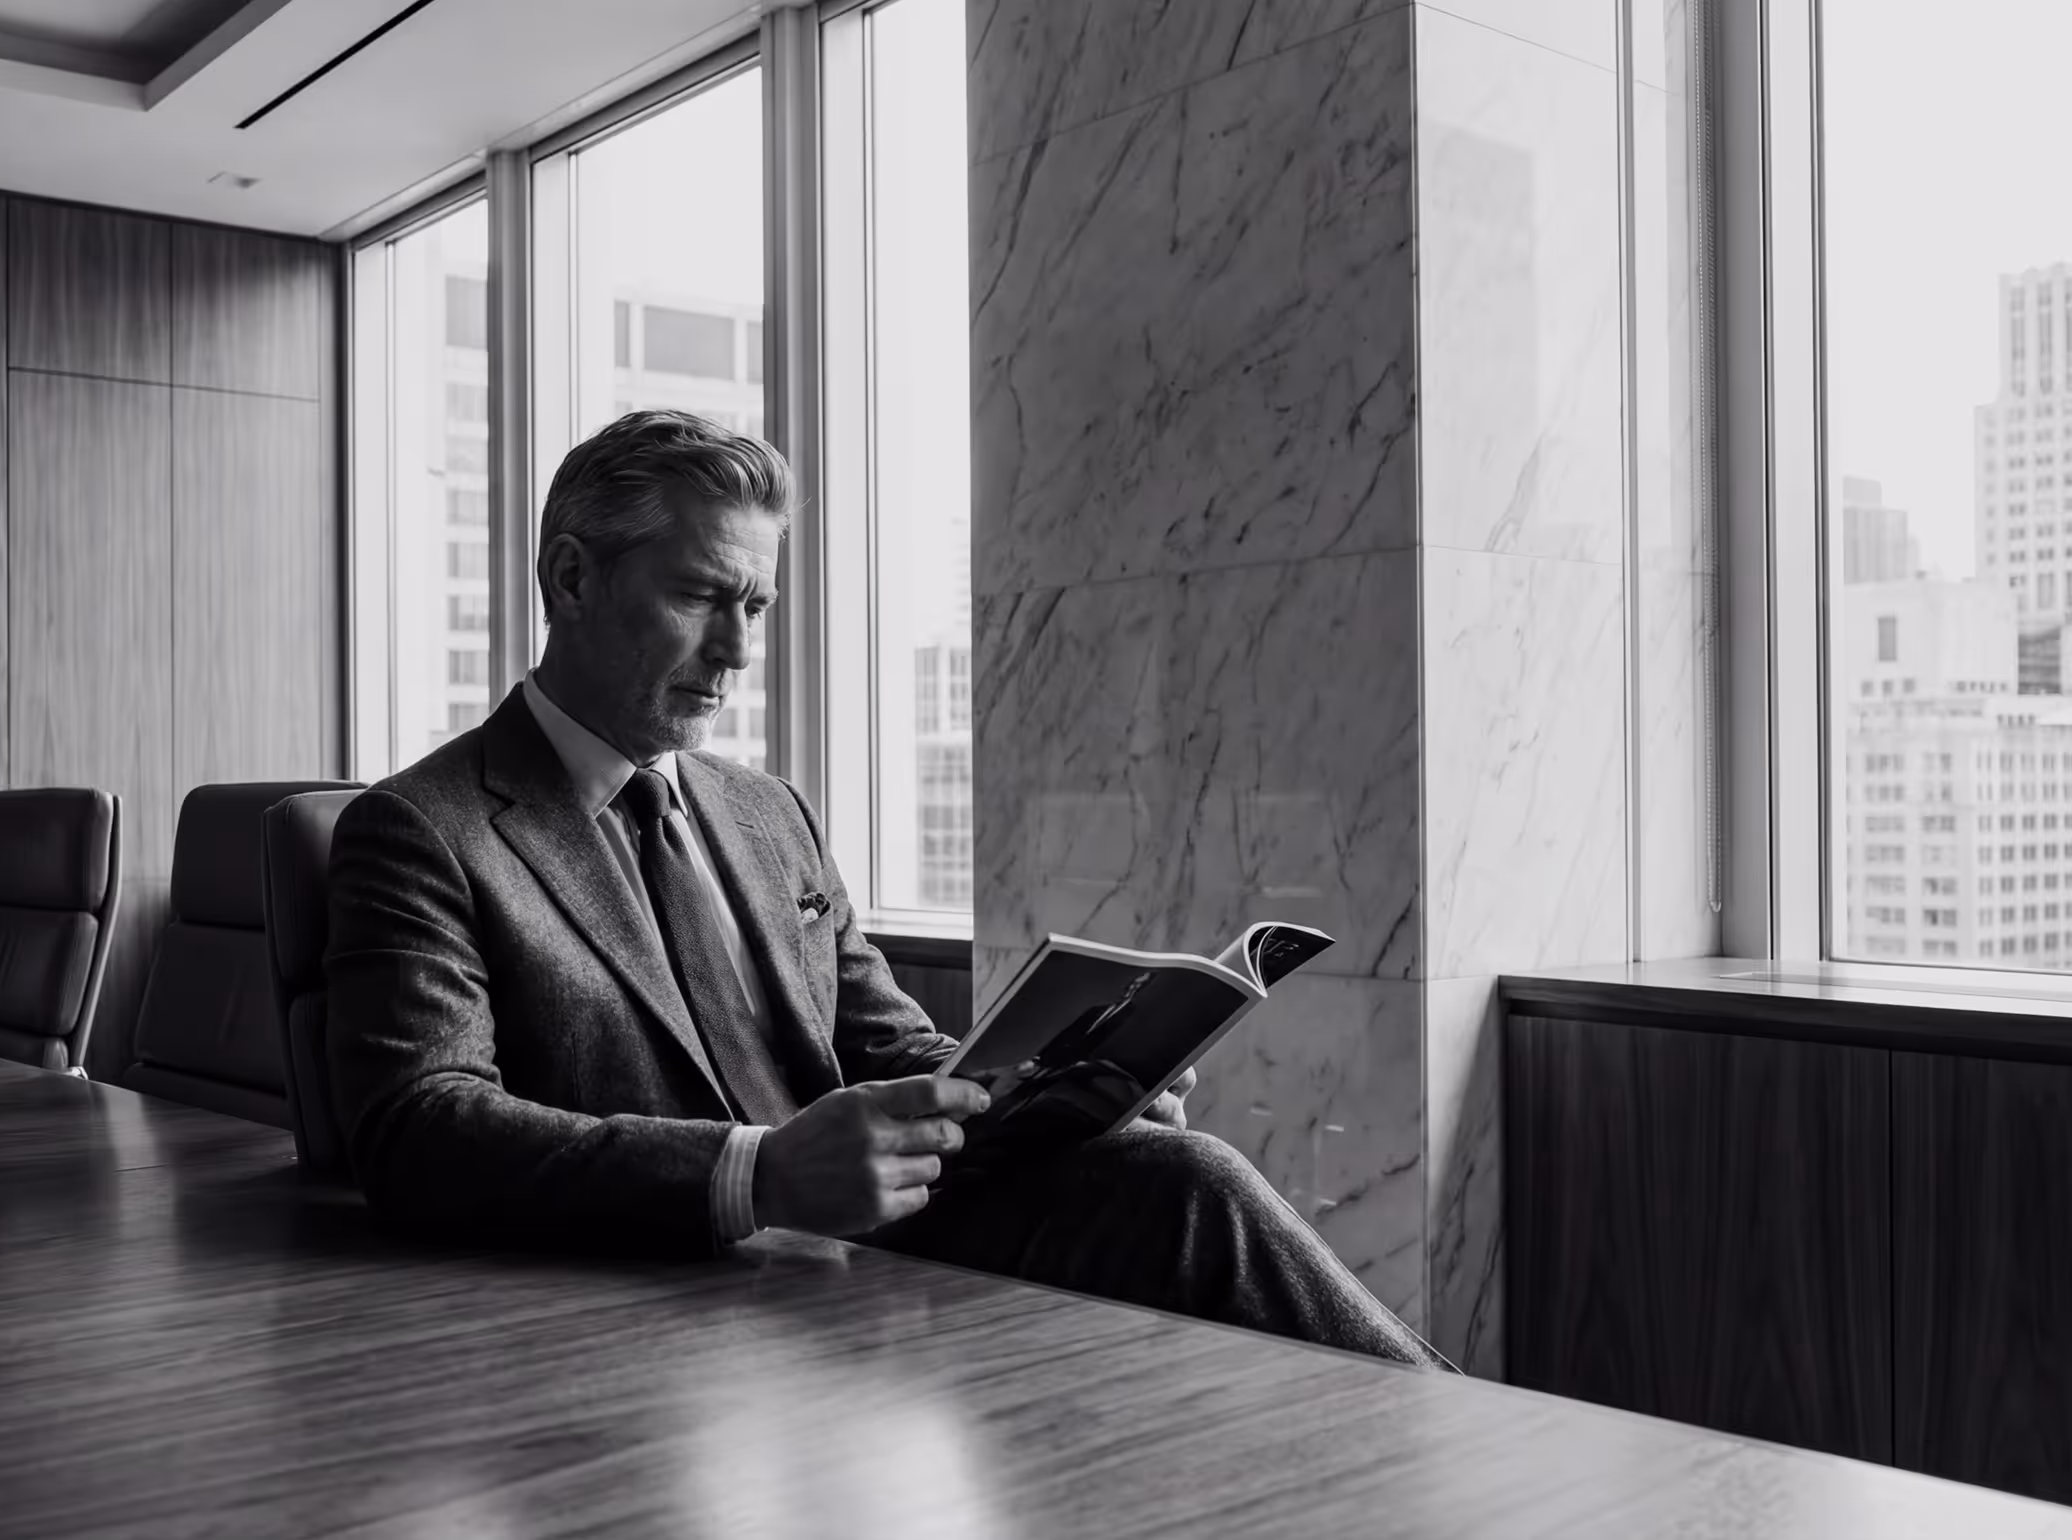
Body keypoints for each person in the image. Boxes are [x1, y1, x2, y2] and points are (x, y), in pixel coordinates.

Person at [323, 409, 1445, 1368]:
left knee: (1178, 1171)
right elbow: (419, 1131)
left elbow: (890, 1049)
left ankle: (1480, 1473)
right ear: (570, 577)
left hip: (889, 1223)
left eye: (754, 607)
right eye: (701, 596)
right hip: (673, 1270)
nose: (737, 651)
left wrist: (1056, 1087)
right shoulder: (422, 829)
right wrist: (756, 1174)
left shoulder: (769, 814)